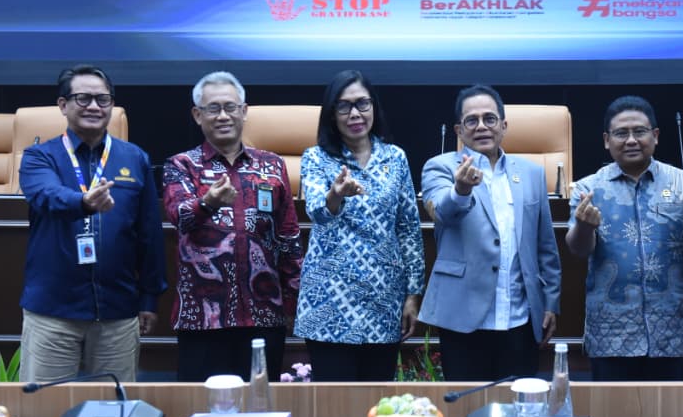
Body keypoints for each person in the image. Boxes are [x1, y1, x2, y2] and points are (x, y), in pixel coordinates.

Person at [19, 64, 166, 383]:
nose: (94, 107)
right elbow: (45, 196)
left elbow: (149, 235)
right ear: (63, 105)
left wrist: (149, 298)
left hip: (117, 312)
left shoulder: (134, 158)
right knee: (44, 411)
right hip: (53, 312)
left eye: (103, 99)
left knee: (112, 414)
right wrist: (83, 202)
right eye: (83, 98)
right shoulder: (38, 157)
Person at [566, 96, 683, 381]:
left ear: (656, 136)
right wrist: (585, 227)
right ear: (606, 140)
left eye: (640, 131)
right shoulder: (589, 188)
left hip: (674, 335)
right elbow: (577, 250)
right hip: (611, 337)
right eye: (621, 133)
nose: (632, 140)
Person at [162, 72, 302, 382]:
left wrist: (293, 302)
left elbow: (288, 238)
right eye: (213, 108)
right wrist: (208, 202)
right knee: (202, 411)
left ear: (244, 111)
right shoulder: (182, 165)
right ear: (198, 115)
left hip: (264, 314)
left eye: (230, 107)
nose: (223, 115)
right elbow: (178, 216)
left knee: (261, 408)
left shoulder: (273, 165)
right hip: (203, 317)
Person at [419, 85, 561, 381]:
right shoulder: (440, 167)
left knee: (519, 411)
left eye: (490, 118)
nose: (481, 126)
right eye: (472, 120)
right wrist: (461, 189)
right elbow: (440, 212)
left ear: (504, 125)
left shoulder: (532, 173)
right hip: (463, 318)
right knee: (467, 412)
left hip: (520, 318)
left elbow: (545, 245)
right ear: (459, 129)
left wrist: (550, 302)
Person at [293, 70, 425, 381]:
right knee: (333, 407)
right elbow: (316, 212)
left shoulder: (395, 158)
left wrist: (412, 294)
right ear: (331, 114)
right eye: (344, 106)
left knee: (376, 401)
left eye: (362, 104)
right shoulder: (316, 158)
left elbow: (408, 228)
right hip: (329, 300)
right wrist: (335, 195)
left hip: (384, 297)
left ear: (374, 108)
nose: (355, 114)